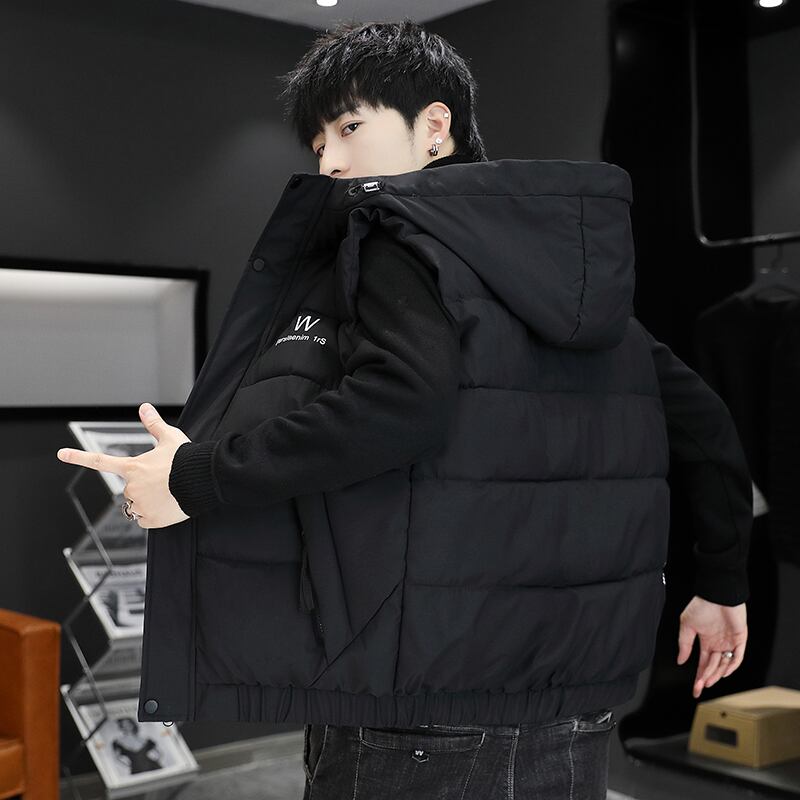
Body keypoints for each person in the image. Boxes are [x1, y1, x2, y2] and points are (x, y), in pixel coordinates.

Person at [56, 17, 750, 800]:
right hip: (570, 702)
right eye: (318, 143)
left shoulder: (398, 237)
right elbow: (705, 424)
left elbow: (398, 406)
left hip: (419, 704)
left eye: (350, 126)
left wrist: (195, 479)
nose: (331, 160)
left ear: (434, 127)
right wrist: (722, 584)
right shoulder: (574, 277)